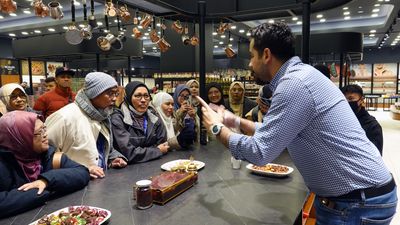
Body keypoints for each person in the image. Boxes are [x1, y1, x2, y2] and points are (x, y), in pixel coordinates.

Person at [197, 22, 397, 224]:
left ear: (266, 55)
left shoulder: (293, 85)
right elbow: (277, 132)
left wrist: (216, 128)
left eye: (251, 56)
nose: (249, 64)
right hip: (358, 199)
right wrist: (235, 120)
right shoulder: (302, 76)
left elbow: (259, 152)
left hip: (356, 204)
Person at [0, 111, 90, 218]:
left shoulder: (47, 155)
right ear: (18, 138)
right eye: (39, 132)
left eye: (44, 129)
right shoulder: (3, 164)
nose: (45, 135)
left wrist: (46, 181)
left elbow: (82, 172)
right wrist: (40, 192)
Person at [45, 72, 127, 179]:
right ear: (94, 93)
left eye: (116, 94)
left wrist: (112, 159)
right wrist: (81, 170)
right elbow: (46, 157)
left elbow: (100, 150)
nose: (114, 98)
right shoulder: (64, 117)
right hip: (72, 186)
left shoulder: (103, 116)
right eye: (110, 93)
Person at [111, 81, 169, 164]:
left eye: (146, 96)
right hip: (128, 171)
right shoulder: (118, 118)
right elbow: (128, 153)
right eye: (138, 96)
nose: (143, 100)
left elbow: (163, 143)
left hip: (154, 164)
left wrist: (144, 152)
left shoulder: (153, 115)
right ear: (128, 98)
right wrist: (156, 150)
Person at [341, 84, 383, 155]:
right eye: (344, 99)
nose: (347, 102)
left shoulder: (372, 126)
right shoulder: (340, 121)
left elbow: (376, 155)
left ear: (361, 100)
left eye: (351, 99)